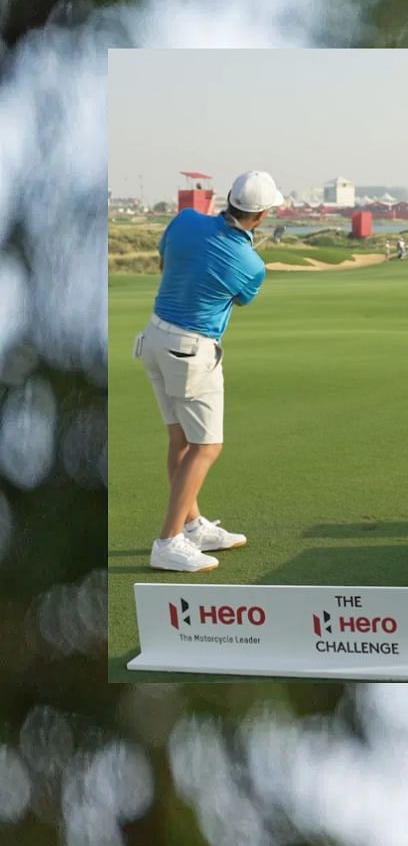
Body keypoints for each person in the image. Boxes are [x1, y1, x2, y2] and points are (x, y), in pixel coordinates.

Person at [135, 170, 283, 572]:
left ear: (228, 197)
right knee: (206, 447)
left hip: (153, 337)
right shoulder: (251, 264)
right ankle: (168, 541)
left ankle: (193, 525)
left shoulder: (184, 219)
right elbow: (240, 299)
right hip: (190, 350)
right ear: (263, 213)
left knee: (180, 440)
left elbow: (166, 261)